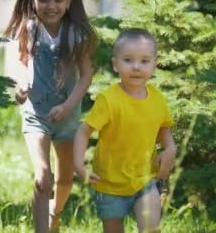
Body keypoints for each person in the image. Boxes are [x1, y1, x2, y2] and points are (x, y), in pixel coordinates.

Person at [4, 0, 97, 233]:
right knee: (43, 175)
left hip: (68, 118)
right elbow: (18, 62)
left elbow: (86, 76)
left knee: (65, 178)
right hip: (36, 114)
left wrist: (69, 106)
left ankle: (54, 216)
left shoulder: (77, 34)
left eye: (58, 0)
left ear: (69, 1)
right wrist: (20, 84)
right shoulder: (28, 28)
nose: (51, 6)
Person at [73, 28, 176, 233]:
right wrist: (79, 166)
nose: (136, 67)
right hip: (109, 183)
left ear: (154, 64)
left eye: (144, 61)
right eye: (128, 60)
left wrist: (170, 148)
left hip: (145, 178)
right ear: (115, 64)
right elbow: (83, 132)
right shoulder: (109, 100)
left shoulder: (157, 98)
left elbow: (163, 128)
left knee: (150, 228)